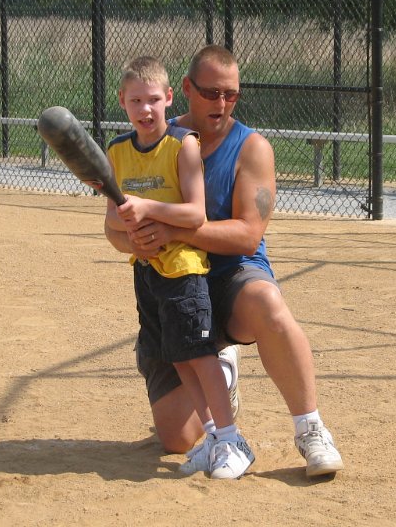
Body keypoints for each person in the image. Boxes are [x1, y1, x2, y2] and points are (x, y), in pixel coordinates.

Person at [106, 45, 344, 478]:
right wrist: (134, 244)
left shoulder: (252, 149)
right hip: (172, 280)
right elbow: (113, 228)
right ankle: (225, 373)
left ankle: (310, 428)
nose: (220, 104)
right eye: (211, 92)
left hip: (230, 274)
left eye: (230, 95)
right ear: (186, 89)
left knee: (268, 304)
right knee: (176, 439)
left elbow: (248, 233)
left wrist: (171, 231)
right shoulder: (158, 137)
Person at [104, 56, 254, 479]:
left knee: (199, 355)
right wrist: (130, 227)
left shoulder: (182, 143)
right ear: (123, 102)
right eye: (136, 101)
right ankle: (211, 436)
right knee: (179, 357)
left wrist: (147, 209)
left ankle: (230, 437)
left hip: (184, 271)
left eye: (154, 99)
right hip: (147, 274)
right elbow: (113, 221)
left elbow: (195, 215)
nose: (146, 109)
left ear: (171, 97)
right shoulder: (117, 151)